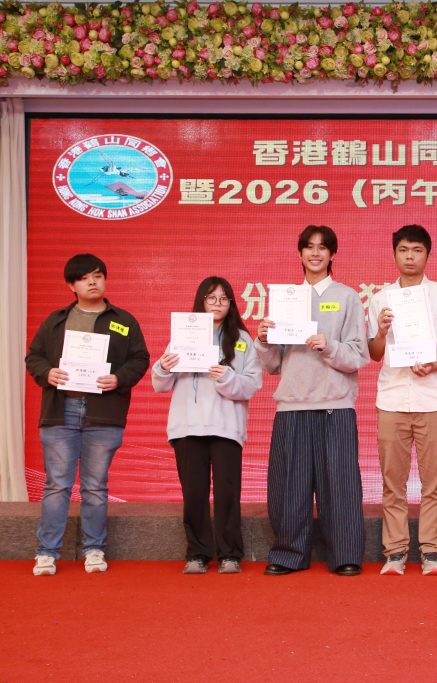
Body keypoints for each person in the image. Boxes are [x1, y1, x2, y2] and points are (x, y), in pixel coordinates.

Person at [255, 225, 370, 576]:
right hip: (293, 404)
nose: (315, 253)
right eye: (309, 247)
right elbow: (273, 365)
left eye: (322, 247)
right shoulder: (286, 298)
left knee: (340, 485)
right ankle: (289, 554)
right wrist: (264, 340)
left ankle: (346, 554)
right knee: (290, 487)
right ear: (300, 253)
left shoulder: (347, 297)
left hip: (336, 404)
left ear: (333, 254)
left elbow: (358, 355)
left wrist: (328, 345)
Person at [25, 254, 150, 576]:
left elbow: (140, 358)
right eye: (83, 278)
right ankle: (47, 552)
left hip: (103, 413)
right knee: (57, 485)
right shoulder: (56, 321)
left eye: (97, 276)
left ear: (105, 279)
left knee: (95, 486)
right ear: (71, 285)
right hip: (60, 411)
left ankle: (94, 548)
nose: (92, 282)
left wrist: (119, 378)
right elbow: (33, 357)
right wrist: (47, 372)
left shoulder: (123, 320)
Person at [152, 277, 263, 575]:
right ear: (201, 301)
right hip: (187, 426)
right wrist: (163, 366)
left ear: (231, 304)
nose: (217, 304)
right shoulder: (183, 335)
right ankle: (197, 553)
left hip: (226, 426)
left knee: (227, 493)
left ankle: (230, 554)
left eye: (224, 299)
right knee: (194, 493)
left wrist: (226, 377)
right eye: (211, 298)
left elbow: (252, 385)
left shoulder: (241, 339)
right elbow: (160, 384)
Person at [368, 224, 437, 576]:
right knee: (393, 482)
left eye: (417, 250)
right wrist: (381, 331)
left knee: (433, 482)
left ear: (427, 255)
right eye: (404, 250)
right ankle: (395, 551)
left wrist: (434, 364)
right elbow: (375, 352)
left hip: (432, 398)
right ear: (394, 254)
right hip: (392, 398)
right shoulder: (380, 299)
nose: (410, 257)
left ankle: (431, 551)